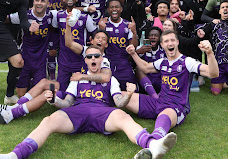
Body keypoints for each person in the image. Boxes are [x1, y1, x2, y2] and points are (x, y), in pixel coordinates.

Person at [0, 45, 177, 159]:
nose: (93, 59)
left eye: (96, 56)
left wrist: (129, 95)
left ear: (102, 59)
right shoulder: (77, 79)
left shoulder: (110, 79)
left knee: (123, 116)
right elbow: (67, 103)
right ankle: (15, 155)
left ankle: (153, 145)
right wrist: (54, 100)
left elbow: (118, 102)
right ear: (85, 60)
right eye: (89, 56)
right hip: (78, 111)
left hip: (103, 113)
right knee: (48, 121)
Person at [125, 30, 218, 158]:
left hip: (176, 107)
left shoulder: (187, 62)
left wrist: (209, 53)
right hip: (159, 102)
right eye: (167, 41)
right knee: (124, 96)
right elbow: (146, 67)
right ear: (162, 45)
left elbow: (213, 73)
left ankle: (154, 144)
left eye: (173, 40)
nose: (170, 43)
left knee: (164, 115)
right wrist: (133, 54)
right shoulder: (162, 62)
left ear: (177, 42)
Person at [9, 0, 56, 97]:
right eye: (37, 0)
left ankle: (32, 86)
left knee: (37, 95)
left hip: (41, 59)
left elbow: (68, 13)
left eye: (43, 1)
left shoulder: (52, 16)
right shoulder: (24, 15)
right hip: (25, 57)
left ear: (48, 4)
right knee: (21, 95)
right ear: (33, 2)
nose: (39, 3)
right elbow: (6, 19)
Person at [98, 0, 138, 91]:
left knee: (130, 88)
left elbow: (133, 46)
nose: (114, 9)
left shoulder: (127, 25)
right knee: (107, 89)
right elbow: (99, 46)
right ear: (108, 10)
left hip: (124, 61)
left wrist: (134, 32)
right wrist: (102, 30)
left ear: (121, 9)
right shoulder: (103, 24)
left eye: (117, 7)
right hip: (108, 61)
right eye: (111, 7)